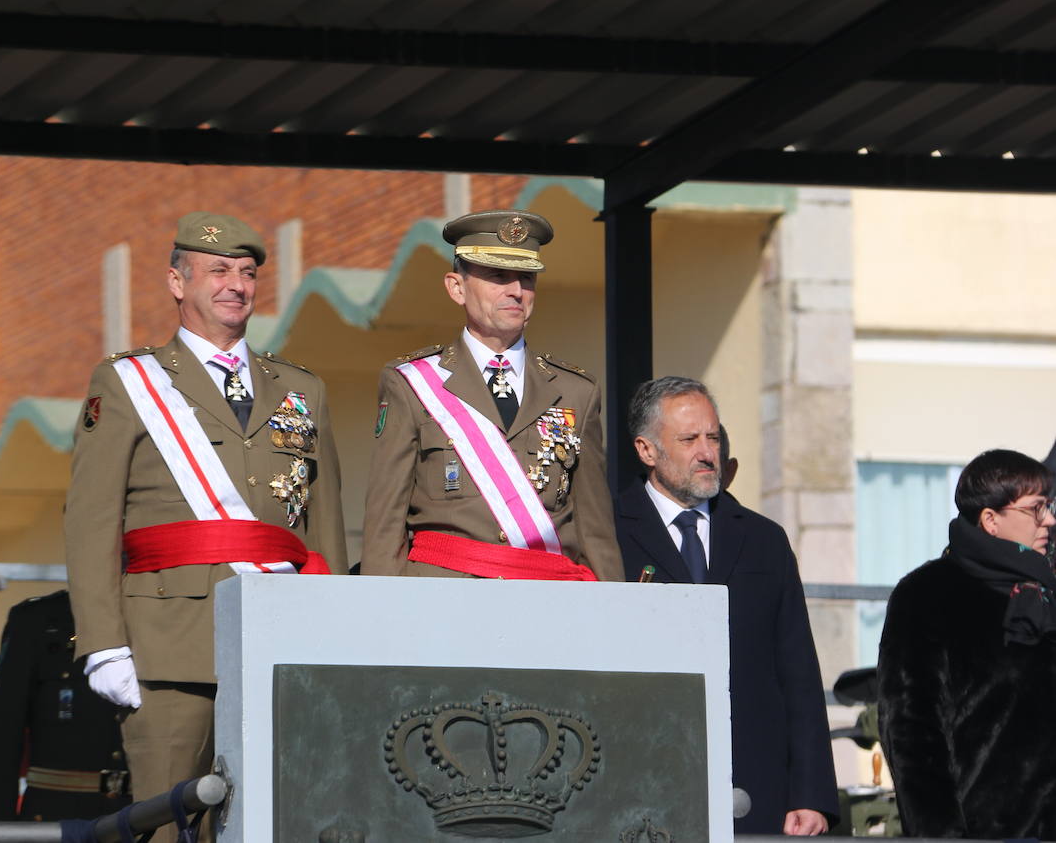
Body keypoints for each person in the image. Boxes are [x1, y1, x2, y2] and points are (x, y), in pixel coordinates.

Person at [65, 212, 347, 841]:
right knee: (166, 827)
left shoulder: (304, 389)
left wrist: (334, 632)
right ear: (176, 281)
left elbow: (324, 530)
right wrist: (103, 643)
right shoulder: (128, 382)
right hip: (168, 645)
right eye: (217, 270)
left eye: (247, 273)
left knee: (284, 821)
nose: (235, 285)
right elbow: (90, 521)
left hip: (282, 641)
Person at [614, 377, 836, 835]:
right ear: (647, 450)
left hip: (756, 787)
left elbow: (798, 674)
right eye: (689, 439)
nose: (706, 452)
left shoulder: (763, 540)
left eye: (713, 437)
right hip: (641, 784)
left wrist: (810, 794)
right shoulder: (609, 536)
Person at [360, 209, 622, 581]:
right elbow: (385, 522)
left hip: (545, 599)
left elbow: (595, 529)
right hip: (446, 600)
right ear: (457, 287)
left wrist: (612, 614)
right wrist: (383, 616)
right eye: (498, 276)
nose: (516, 291)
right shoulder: (411, 383)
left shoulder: (576, 391)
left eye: (526, 278)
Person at [877, 448, 1056, 838]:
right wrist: (941, 836)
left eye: (1050, 507)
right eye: (1036, 509)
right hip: (981, 832)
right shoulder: (927, 594)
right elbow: (910, 729)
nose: (1050, 520)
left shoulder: (1047, 595)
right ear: (990, 519)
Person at [0, 590, 129, 821]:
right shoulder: (38, 618)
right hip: (58, 814)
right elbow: (1, 735)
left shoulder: (168, 614)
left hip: (145, 813)